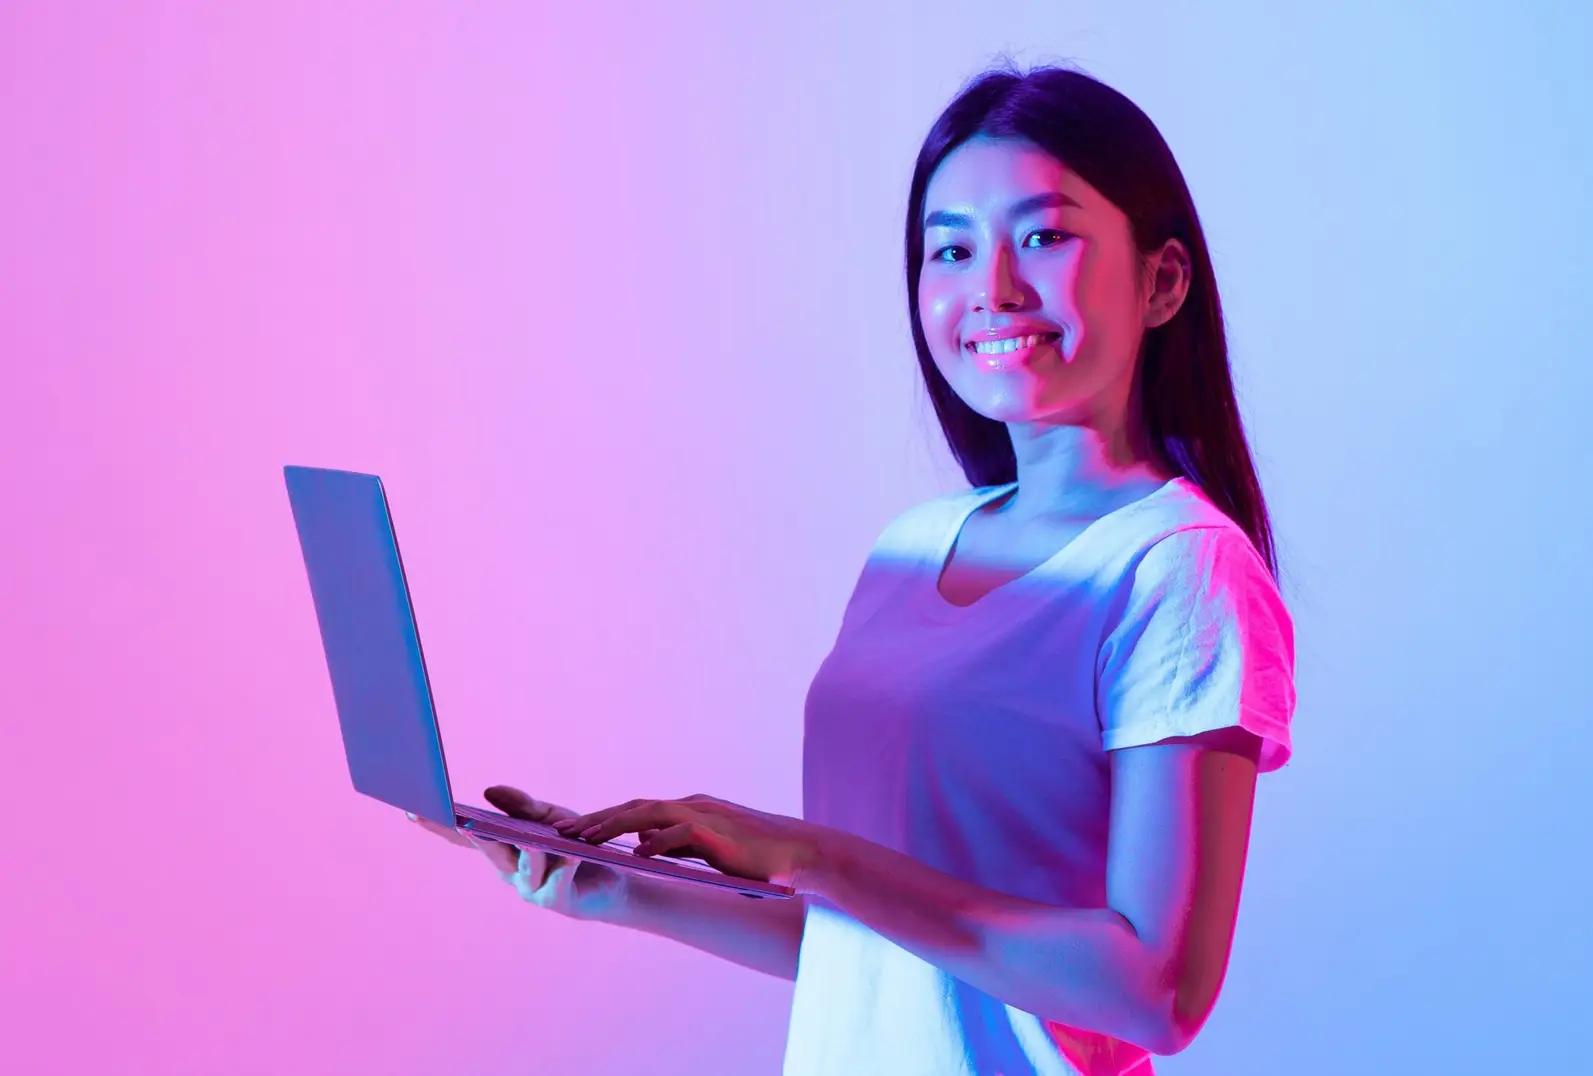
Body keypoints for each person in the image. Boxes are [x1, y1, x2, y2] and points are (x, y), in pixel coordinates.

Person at [413, 64, 1296, 1075]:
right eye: (950, 248)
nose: (993, 287)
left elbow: (1155, 989)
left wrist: (809, 850)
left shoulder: (1179, 571)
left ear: (1162, 280)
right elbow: (866, 946)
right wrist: (609, 881)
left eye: (1045, 236)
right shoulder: (913, 546)